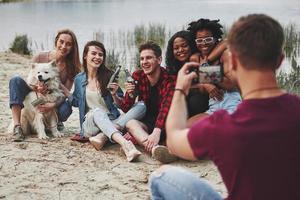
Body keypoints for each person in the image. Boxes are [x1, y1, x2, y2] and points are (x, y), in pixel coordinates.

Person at [149, 14, 300, 200]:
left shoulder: (222, 126)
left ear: (234, 62)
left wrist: (180, 89)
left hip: (224, 109)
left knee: (161, 176)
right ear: (279, 61)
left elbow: (174, 138)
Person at [63, 40, 145, 162]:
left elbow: (122, 105)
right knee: (97, 111)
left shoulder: (109, 76)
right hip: (90, 125)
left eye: (100, 55)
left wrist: (114, 95)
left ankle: (104, 135)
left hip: (112, 120)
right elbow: (76, 102)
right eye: (94, 53)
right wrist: (64, 90)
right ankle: (126, 144)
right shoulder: (79, 79)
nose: (97, 57)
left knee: (141, 105)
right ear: (85, 56)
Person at [9, 29, 81, 141]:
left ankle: (55, 122)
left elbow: (64, 94)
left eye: (68, 44)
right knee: (15, 80)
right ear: (56, 41)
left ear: (72, 47)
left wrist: (52, 105)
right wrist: (37, 88)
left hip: (53, 97)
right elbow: (31, 80)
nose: (63, 46)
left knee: (66, 108)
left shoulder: (72, 67)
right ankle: (17, 126)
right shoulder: (40, 57)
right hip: (34, 94)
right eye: (61, 42)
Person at [114, 41, 177, 163]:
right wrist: (128, 94)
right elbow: (127, 108)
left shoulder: (169, 79)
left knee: (135, 129)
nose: (144, 62)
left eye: (149, 58)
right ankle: (155, 149)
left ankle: (146, 142)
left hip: (165, 123)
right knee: (131, 123)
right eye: (142, 59)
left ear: (159, 60)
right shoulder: (138, 76)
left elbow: (166, 107)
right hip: (147, 124)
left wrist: (157, 131)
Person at [187, 18, 241, 125]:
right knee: (184, 129)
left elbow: (231, 84)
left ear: (215, 38)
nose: (204, 44)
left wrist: (206, 69)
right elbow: (198, 87)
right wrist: (206, 84)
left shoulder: (225, 55)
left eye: (208, 39)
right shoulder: (195, 58)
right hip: (213, 107)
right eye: (199, 40)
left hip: (231, 103)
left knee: (225, 130)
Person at [165, 30, 209, 118]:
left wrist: (204, 85)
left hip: (203, 112)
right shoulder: (172, 68)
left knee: (196, 99)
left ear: (191, 46)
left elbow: (212, 81)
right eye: (176, 48)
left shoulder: (200, 59)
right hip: (180, 117)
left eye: (184, 46)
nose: (180, 50)